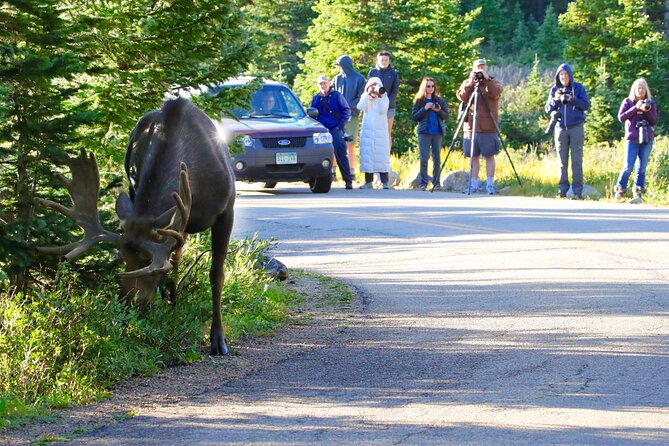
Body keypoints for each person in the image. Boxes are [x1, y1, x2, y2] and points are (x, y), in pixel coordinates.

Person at [457, 59, 503, 195]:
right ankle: (474, 184)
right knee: (473, 157)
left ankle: (489, 184)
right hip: (471, 126)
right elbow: (462, 97)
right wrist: (471, 82)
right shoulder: (468, 82)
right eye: (478, 68)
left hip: (488, 126)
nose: (480, 70)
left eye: (482, 67)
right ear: (473, 69)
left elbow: (495, 93)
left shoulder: (493, 81)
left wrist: (487, 79)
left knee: (489, 156)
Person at [544, 63, 590, 199]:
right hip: (560, 129)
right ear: (558, 76)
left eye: (566, 74)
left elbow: (586, 105)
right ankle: (562, 190)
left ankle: (577, 191)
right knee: (562, 162)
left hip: (576, 127)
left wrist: (573, 99)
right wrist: (555, 99)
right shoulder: (554, 90)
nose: (563, 77)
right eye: (561, 74)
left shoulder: (578, 88)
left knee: (577, 161)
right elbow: (547, 109)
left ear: (570, 75)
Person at [614, 78, 658, 201]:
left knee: (642, 167)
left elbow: (654, 121)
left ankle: (638, 191)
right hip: (632, 139)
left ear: (646, 90)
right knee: (628, 166)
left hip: (646, 138)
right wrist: (635, 108)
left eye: (643, 88)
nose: (640, 90)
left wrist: (646, 110)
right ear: (634, 89)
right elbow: (621, 117)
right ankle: (620, 189)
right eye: (638, 88)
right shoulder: (628, 102)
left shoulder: (651, 103)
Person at [310, 75, 353, 189]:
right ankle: (316, 181)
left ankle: (348, 181)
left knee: (341, 155)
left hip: (335, 129)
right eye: (320, 84)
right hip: (321, 132)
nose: (323, 85)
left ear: (329, 83)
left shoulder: (337, 96)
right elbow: (311, 114)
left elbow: (346, 110)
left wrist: (340, 126)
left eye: (324, 83)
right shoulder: (316, 98)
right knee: (317, 155)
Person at [412, 76, 449, 191]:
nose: (431, 88)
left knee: (437, 158)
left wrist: (439, 111)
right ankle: (423, 182)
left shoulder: (439, 100)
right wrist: (425, 108)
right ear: (424, 87)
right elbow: (414, 117)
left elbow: (446, 116)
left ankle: (436, 182)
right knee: (424, 157)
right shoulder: (419, 101)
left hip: (437, 132)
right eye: (428, 86)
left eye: (433, 86)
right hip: (424, 132)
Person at [333, 55, 366, 178]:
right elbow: (333, 95)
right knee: (335, 143)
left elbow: (361, 97)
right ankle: (332, 172)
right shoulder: (337, 79)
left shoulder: (359, 79)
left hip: (352, 116)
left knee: (350, 144)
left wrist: (347, 106)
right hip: (338, 117)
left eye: (340, 66)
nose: (339, 69)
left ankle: (351, 172)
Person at [357, 77, 391, 189]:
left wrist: (380, 96)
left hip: (381, 131)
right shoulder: (366, 96)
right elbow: (359, 107)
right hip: (368, 130)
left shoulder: (384, 97)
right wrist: (368, 94)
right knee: (368, 155)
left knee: (381, 155)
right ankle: (368, 181)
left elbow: (383, 110)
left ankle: (385, 181)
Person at [367, 51, 400, 146]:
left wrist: (387, 103)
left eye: (386, 60)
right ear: (378, 60)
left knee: (387, 132)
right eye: (382, 60)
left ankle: (387, 156)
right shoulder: (373, 72)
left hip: (389, 107)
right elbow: (369, 88)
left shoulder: (394, 74)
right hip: (374, 107)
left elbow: (395, 90)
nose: (384, 62)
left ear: (389, 61)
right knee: (375, 132)